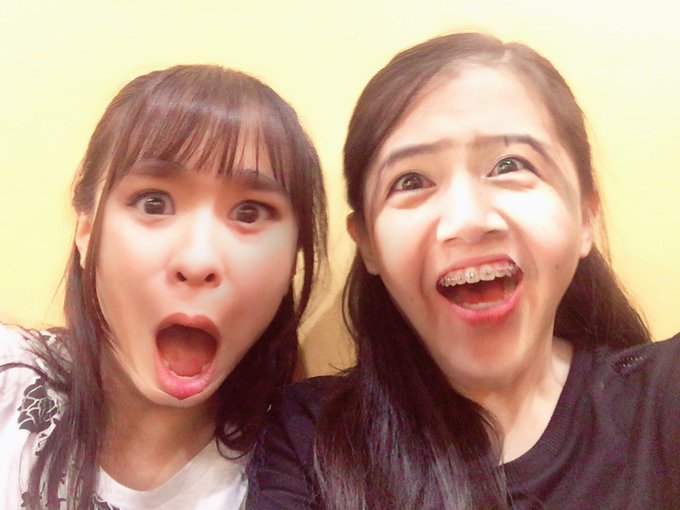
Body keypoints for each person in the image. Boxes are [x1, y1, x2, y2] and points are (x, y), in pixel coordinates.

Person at [247, 33, 680, 509]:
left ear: (584, 217)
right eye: (411, 180)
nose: (467, 221)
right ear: (367, 243)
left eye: (510, 165)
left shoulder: (664, 397)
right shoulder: (310, 438)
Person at [0, 64, 327, 509]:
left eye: (249, 213)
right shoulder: (9, 380)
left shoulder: (298, 472)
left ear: (293, 259)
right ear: (86, 231)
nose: (198, 260)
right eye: (153, 203)